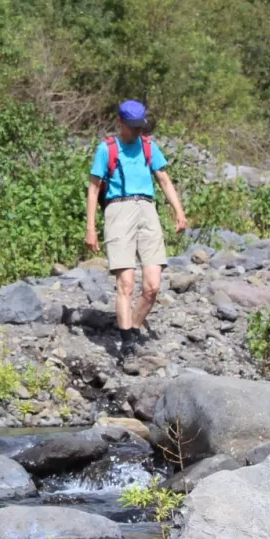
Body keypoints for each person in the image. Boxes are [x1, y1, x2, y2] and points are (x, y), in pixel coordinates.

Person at [85, 100, 187, 356]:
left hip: (147, 210)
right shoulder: (106, 149)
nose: (137, 131)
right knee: (126, 283)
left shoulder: (149, 146)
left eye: (139, 126)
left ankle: (133, 327)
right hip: (118, 210)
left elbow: (164, 180)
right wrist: (90, 228)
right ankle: (127, 343)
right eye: (132, 126)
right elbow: (94, 189)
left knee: (152, 286)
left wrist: (179, 211)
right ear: (120, 122)